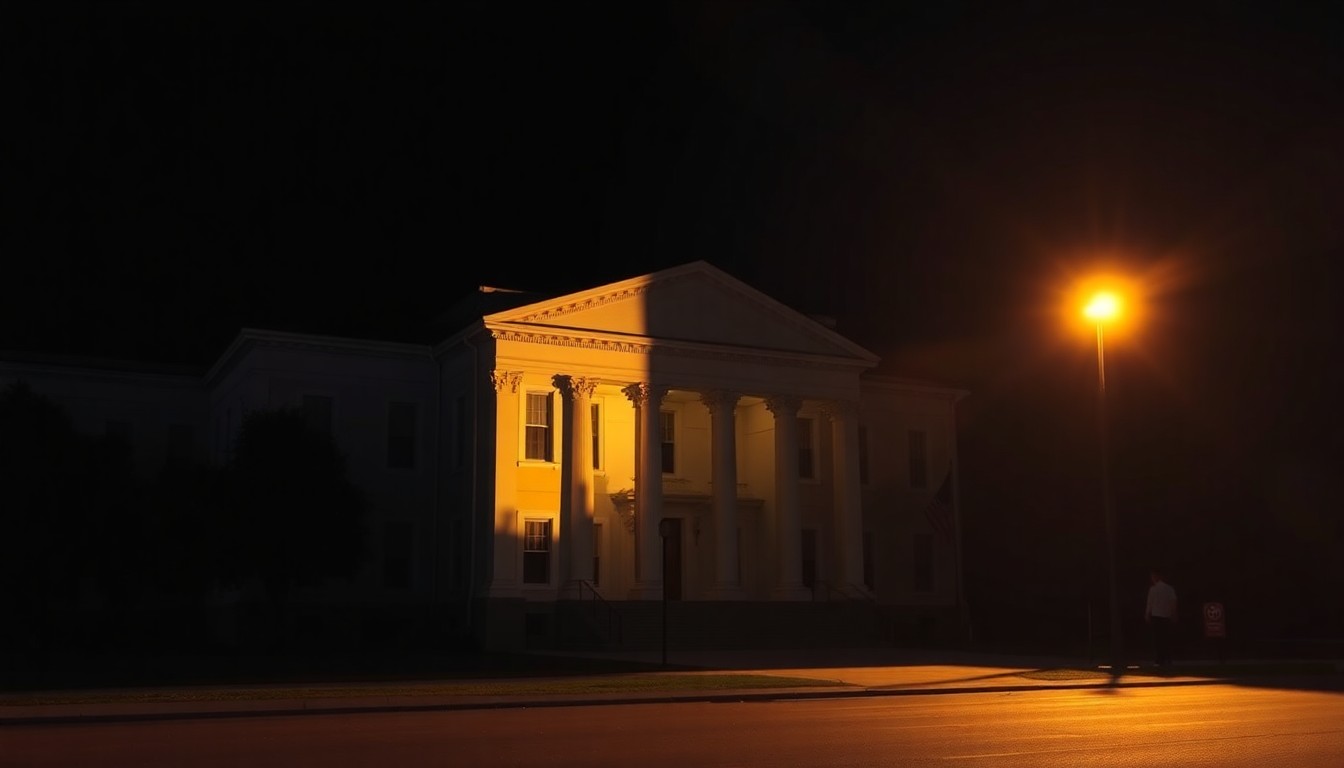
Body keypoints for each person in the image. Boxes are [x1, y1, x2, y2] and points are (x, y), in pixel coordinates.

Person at [1145, 569, 1178, 667]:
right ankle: (1168, 658)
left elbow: (1149, 603)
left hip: (1156, 616)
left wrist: (1147, 614)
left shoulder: (1153, 589)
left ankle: (1159, 659)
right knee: (1166, 638)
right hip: (1166, 616)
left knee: (1157, 639)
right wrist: (1174, 614)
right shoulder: (1169, 589)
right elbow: (1173, 602)